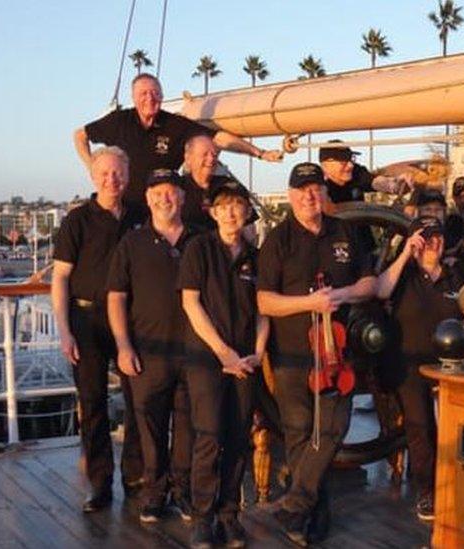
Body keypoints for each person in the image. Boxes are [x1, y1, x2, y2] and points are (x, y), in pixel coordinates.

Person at [257, 162, 376, 546]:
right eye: (303, 190)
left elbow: (369, 282)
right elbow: (265, 301)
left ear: (324, 193)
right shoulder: (277, 239)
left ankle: (295, 502)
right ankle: (312, 511)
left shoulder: (344, 232)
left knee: (334, 427)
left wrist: (340, 296)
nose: (311, 196)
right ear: (292, 196)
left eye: (316, 189)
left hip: (337, 352)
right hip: (292, 354)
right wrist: (307, 302)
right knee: (298, 433)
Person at [51, 146, 145, 512]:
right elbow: (60, 279)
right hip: (86, 322)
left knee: (139, 402)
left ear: (127, 176)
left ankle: (135, 478)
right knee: (92, 404)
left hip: (131, 320)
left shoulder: (140, 216)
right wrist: (64, 331)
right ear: (93, 177)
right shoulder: (77, 220)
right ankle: (100, 483)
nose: (112, 179)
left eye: (118, 173)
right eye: (105, 173)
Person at [179, 180, 270, 548]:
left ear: (247, 211)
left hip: (246, 358)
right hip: (208, 358)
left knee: (237, 437)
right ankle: (203, 516)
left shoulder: (256, 257)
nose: (232, 212)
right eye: (224, 206)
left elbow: (264, 311)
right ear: (213, 212)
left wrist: (259, 352)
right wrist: (221, 352)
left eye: (238, 205)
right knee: (208, 436)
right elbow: (191, 303)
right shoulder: (199, 249)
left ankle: (229, 513)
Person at [106, 168, 196, 523]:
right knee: (150, 428)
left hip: (194, 354)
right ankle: (155, 493)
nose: (164, 198)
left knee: (189, 428)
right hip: (148, 353)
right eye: (157, 192)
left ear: (182, 198)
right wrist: (123, 345)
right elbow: (116, 298)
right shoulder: (132, 243)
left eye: (171, 191)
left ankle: (184, 491)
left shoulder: (200, 240)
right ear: (147, 199)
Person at [74, 73, 281, 206]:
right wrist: (91, 165)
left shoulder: (175, 125)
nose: (150, 98)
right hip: (124, 205)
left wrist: (260, 153)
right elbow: (80, 135)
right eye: (144, 93)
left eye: (155, 93)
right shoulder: (119, 121)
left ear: (162, 96)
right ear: (134, 97)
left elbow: (217, 138)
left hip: (163, 207)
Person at [376, 215, 464, 521]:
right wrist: (404, 255)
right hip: (410, 366)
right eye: (426, 236)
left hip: (451, 367)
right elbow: (380, 291)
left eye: (438, 235)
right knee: (421, 428)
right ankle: (427, 491)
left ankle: (457, 486)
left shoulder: (455, 277)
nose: (433, 241)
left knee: (455, 430)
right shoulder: (402, 275)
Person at [319, 140, 412, 204]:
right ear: (325, 165)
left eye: (351, 159)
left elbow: (374, 181)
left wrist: (394, 185)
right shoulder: (316, 185)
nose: (350, 165)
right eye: (343, 161)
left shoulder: (356, 173)